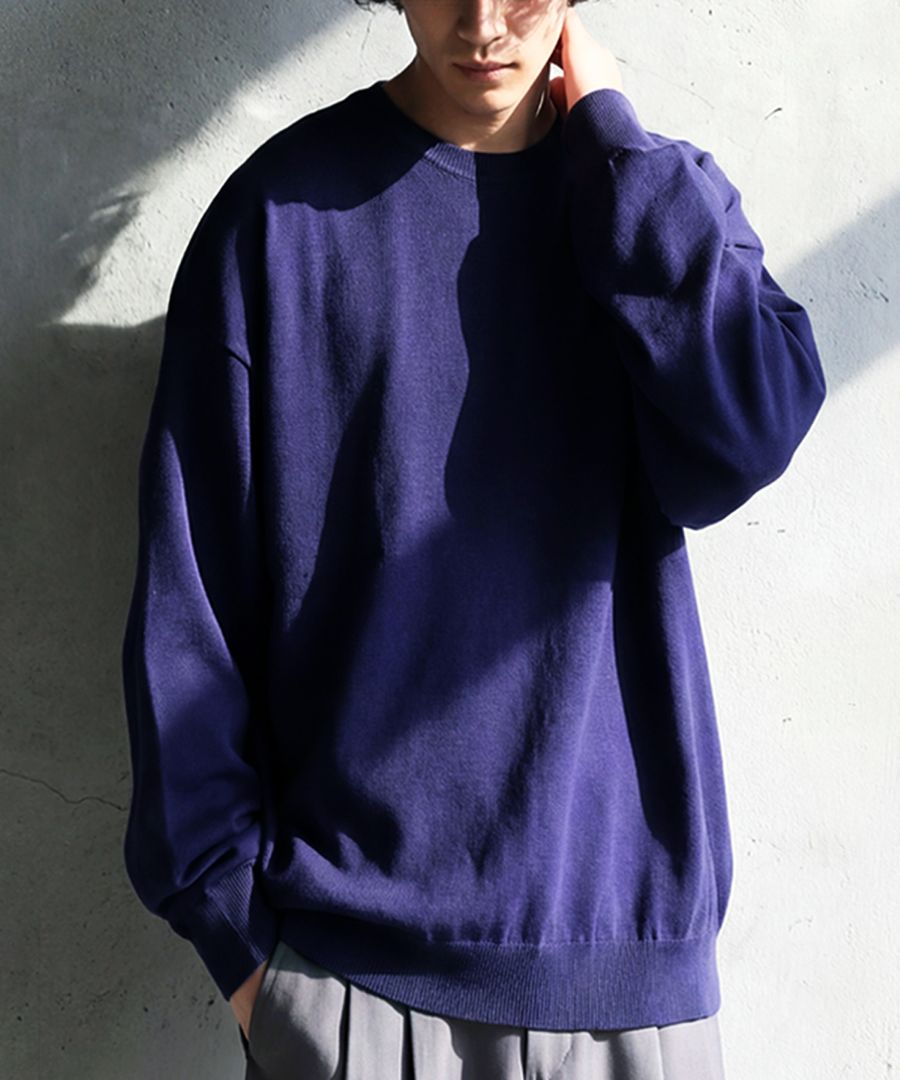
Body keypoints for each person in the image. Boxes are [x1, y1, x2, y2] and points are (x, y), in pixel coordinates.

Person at [120, 0, 827, 1076]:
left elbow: (752, 428)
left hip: (634, 989)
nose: (485, 22)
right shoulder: (277, 221)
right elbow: (190, 615)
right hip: (356, 992)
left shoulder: (652, 198)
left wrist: (615, 150)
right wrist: (252, 962)